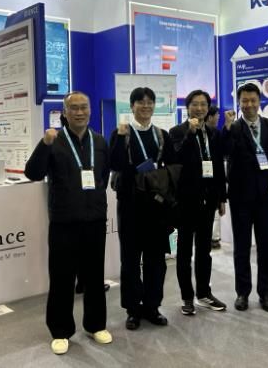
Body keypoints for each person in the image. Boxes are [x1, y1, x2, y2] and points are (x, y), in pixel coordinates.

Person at [24, 91, 112, 355]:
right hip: (64, 222)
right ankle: (60, 331)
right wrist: (44, 144)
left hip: (94, 220)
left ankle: (96, 325)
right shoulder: (55, 140)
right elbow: (33, 173)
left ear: (90, 111)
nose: (80, 112)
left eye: (84, 107)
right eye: (74, 108)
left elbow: (103, 175)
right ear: (65, 112)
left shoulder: (99, 141)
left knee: (94, 277)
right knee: (62, 279)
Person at [110, 87, 177, 330]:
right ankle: (132, 309)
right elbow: (115, 163)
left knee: (156, 260)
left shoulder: (162, 135)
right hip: (130, 205)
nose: (146, 106)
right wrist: (120, 138)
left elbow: (172, 166)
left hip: (156, 207)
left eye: (150, 102)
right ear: (132, 106)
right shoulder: (122, 133)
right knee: (130, 260)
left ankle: (152, 306)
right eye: (140, 102)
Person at [223, 83, 268, 312]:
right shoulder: (234, 127)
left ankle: (266, 293)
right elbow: (225, 152)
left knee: (265, 246)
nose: (249, 105)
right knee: (241, 247)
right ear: (239, 103)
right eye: (244, 101)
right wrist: (227, 129)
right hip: (240, 195)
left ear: (259, 101)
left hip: (266, 194)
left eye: (253, 100)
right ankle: (242, 293)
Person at [169, 90, 227, 316]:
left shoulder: (214, 133)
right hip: (185, 201)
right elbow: (174, 160)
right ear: (187, 107)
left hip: (208, 200)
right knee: (184, 252)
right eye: (195, 104)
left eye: (203, 104)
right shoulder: (177, 132)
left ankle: (204, 293)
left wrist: (221, 197)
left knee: (204, 250)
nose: (199, 108)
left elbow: (219, 167)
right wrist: (189, 134)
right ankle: (187, 297)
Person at [206, 105, 223, 250]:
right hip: (199, 181)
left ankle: (214, 238)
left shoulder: (217, 134)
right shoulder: (196, 132)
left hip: (213, 180)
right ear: (210, 116)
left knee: (215, 213)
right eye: (217, 115)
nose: (218, 118)